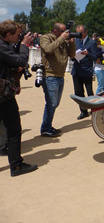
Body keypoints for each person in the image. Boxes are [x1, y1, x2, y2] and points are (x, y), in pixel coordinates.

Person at [0, 20, 38, 176]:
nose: (19, 37)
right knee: (14, 129)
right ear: (8, 34)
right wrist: (24, 45)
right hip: (3, 97)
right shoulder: (2, 46)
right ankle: (16, 166)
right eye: (16, 35)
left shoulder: (4, 44)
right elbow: (20, 61)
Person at [40, 22, 75, 137]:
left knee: (55, 103)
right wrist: (61, 39)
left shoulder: (62, 41)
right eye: (63, 31)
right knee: (51, 103)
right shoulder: (46, 37)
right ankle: (45, 128)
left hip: (60, 76)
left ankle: (48, 126)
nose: (66, 33)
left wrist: (72, 44)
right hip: (50, 76)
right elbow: (47, 49)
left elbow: (72, 55)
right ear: (55, 31)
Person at [71, 25, 98, 120]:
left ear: (86, 32)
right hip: (76, 71)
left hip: (87, 71)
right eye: (77, 32)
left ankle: (94, 111)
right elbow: (71, 55)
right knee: (78, 93)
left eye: (80, 32)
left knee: (90, 92)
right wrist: (73, 56)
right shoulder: (75, 41)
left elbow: (95, 57)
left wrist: (88, 54)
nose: (78, 34)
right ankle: (83, 111)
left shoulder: (92, 42)